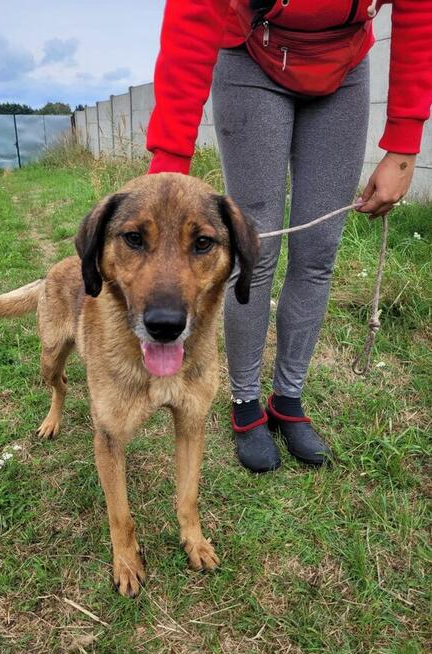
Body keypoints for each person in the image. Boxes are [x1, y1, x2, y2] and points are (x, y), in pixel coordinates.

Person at [146, 0, 432, 473]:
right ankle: (245, 400)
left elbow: (419, 10)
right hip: (252, 56)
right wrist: (169, 162)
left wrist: (403, 146)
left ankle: (288, 398)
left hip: (342, 67)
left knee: (318, 250)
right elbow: (192, 16)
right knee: (254, 250)